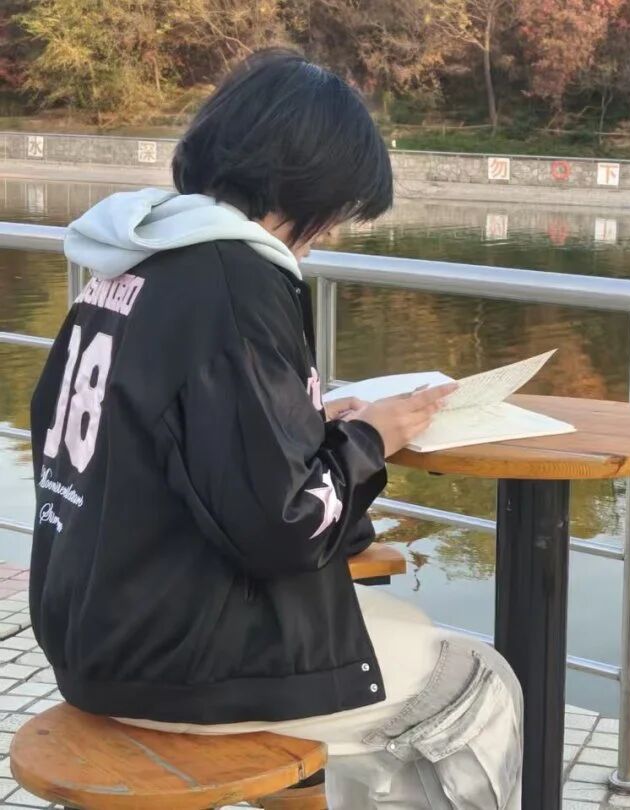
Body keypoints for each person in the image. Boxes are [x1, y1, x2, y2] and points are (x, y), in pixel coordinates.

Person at [28, 48, 523, 809]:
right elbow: (286, 527)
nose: (331, 232)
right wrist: (372, 438)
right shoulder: (234, 281)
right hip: (172, 660)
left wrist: (298, 422)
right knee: (477, 682)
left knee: (398, 624)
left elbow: (146, 436)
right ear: (307, 185)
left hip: (91, 627)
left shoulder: (134, 264)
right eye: (337, 209)